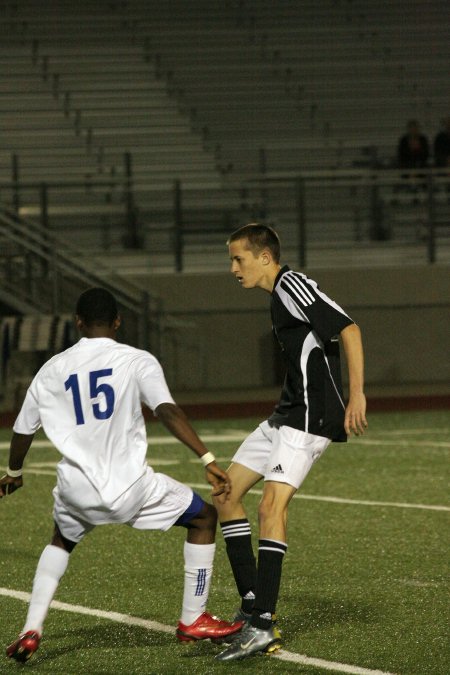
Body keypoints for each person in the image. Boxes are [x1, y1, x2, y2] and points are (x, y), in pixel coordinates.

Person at [1, 287, 243, 663]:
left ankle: (31, 629)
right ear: (117, 321)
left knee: (61, 541)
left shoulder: (52, 368)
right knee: (203, 517)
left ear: (78, 323)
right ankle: (193, 618)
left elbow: (23, 429)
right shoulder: (137, 360)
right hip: (131, 488)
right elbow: (166, 410)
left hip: (77, 490)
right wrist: (206, 456)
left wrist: (14, 473)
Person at [213, 223, 368, 661]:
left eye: (238, 259)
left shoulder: (292, 284)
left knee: (270, 507)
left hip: (309, 417)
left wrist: (356, 393)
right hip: (285, 414)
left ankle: (262, 625)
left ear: (265, 257)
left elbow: (349, 330)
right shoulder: (277, 295)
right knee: (226, 494)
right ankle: (250, 608)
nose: (233, 268)